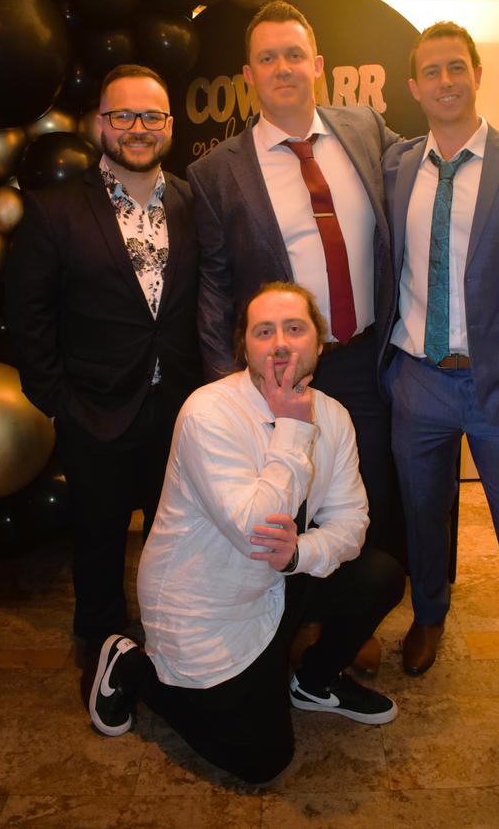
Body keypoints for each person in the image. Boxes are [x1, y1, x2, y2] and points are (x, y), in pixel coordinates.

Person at [187, 0, 499, 667]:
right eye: (268, 58)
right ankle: (293, 623)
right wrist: (227, 391)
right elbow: (213, 288)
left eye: (295, 54)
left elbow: (447, 156)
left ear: (318, 65)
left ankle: (361, 617)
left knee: (378, 496)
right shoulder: (217, 173)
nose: (284, 68)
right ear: (248, 74)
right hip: (280, 375)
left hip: (370, 358)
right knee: (287, 500)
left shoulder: (365, 130)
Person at [87, 282, 406, 784]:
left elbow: (351, 523)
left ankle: (314, 683)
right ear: (245, 350)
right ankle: (130, 666)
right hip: (205, 603)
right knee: (261, 760)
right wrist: (293, 429)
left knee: (381, 575)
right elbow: (255, 533)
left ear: (318, 346)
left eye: (295, 329)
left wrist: (301, 553)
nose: (281, 343)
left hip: (278, 578)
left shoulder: (336, 418)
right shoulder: (208, 412)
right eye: (264, 332)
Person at [379, 21, 499, 738]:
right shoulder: (396, 164)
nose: (445, 82)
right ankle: (430, 613)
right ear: (413, 87)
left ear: (477, 73)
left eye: (457, 68)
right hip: (417, 381)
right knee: (423, 517)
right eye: (431, 71)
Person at [5, 64, 203, 655]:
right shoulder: (53, 210)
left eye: (151, 116)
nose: (137, 128)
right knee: (98, 544)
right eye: (123, 116)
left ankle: (177, 643)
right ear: (100, 124)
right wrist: (61, 403)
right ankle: (101, 651)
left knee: (182, 539)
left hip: (180, 413)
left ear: (169, 125)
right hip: (96, 415)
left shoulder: (195, 203)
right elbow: (28, 318)